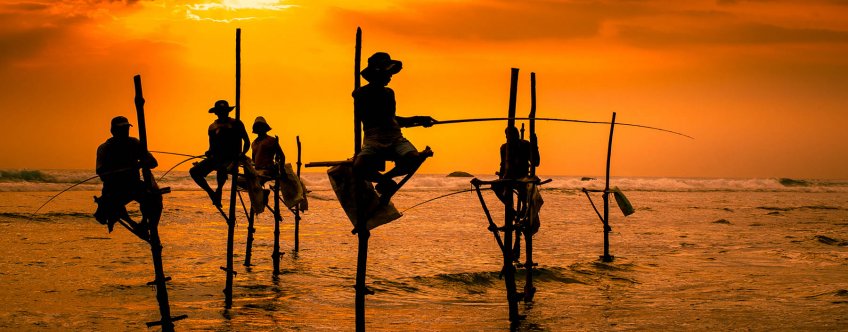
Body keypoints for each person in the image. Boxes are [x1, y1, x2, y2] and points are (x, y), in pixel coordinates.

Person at [352, 52, 436, 199]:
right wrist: (416, 120)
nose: (390, 76)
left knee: (413, 158)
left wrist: (419, 119)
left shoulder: (389, 93)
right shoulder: (360, 94)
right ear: (377, 74)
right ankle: (385, 181)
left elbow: (392, 119)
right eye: (388, 73)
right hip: (373, 138)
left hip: (394, 136)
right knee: (359, 167)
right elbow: (373, 118)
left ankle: (385, 179)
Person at [94, 116, 158, 232]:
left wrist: (141, 164)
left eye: (126, 128)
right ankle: (132, 223)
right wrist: (118, 171)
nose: (125, 131)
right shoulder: (104, 148)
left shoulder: (135, 143)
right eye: (121, 129)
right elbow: (101, 173)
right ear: (113, 131)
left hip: (134, 185)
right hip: (113, 188)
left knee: (154, 198)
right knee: (109, 206)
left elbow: (153, 163)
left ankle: (145, 223)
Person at [190, 100, 250, 207]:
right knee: (194, 171)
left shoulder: (236, 123)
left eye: (224, 111)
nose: (222, 113)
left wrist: (242, 153)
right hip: (216, 158)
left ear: (228, 112)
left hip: (232, 158)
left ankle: (219, 190)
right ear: (216, 113)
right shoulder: (212, 127)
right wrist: (208, 152)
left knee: (222, 169)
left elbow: (247, 142)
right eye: (220, 111)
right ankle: (211, 193)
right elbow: (211, 147)